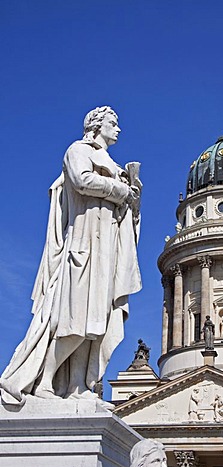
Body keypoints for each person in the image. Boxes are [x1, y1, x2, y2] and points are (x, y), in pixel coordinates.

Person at [0, 106, 142, 404]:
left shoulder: (113, 164)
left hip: (107, 250)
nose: (118, 128)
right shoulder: (78, 150)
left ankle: (78, 386)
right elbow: (81, 181)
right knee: (76, 319)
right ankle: (45, 382)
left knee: (96, 324)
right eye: (113, 123)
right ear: (96, 125)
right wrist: (120, 189)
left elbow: (125, 214)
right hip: (84, 244)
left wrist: (133, 197)